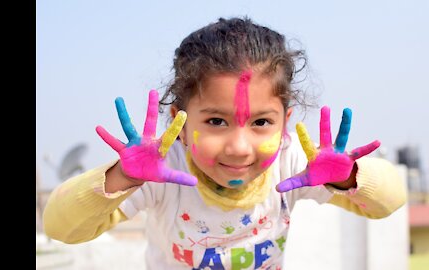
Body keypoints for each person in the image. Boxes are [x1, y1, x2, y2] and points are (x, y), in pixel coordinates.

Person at [43, 16, 406, 269]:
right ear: (180, 125)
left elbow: (390, 201)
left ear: (285, 123)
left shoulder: (293, 163)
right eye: (216, 121)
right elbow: (60, 227)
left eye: (262, 122)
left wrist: (346, 178)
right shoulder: (163, 171)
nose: (239, 147)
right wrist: (123, 176)